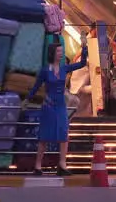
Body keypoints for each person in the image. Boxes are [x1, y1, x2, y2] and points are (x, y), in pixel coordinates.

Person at [27, 41, 89, 176]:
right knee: (44, 136)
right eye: (59, 51)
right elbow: (36, 86)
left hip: (61, 105)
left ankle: (62, 164)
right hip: (48, 105)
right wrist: (27, 99)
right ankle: (37, 166)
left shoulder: (64, 69)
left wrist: (84, 49)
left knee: (63, 134)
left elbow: (82, 64)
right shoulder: (45, 70)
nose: (61, 54)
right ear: (52, 53)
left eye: (62, 51)